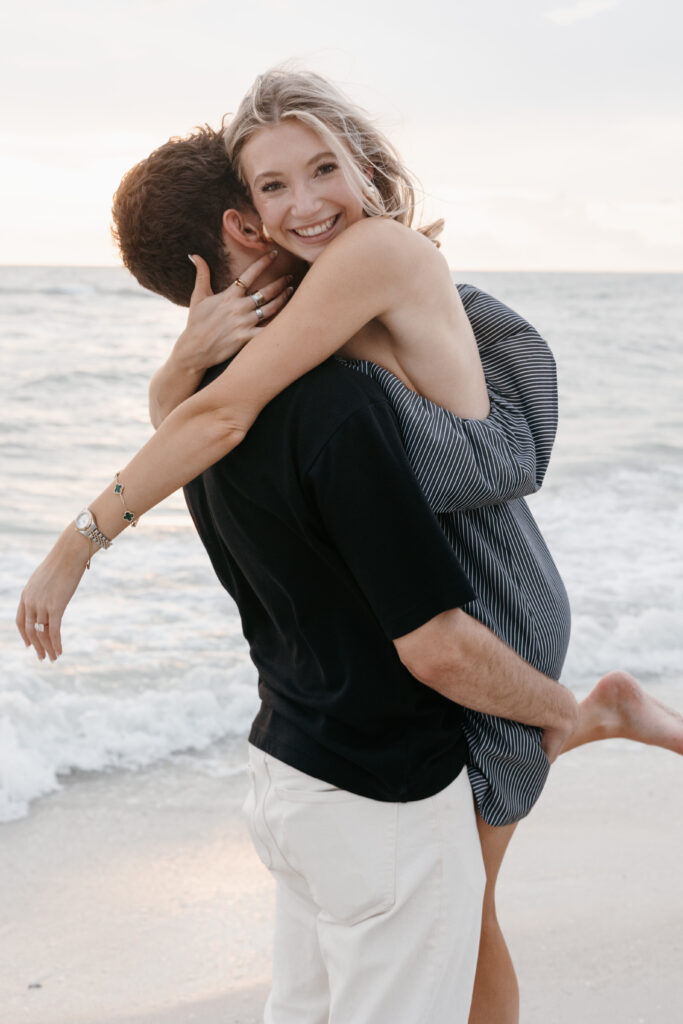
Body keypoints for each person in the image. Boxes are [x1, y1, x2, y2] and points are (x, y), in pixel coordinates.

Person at [17, 77, 683, 1023]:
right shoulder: (306, 298)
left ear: (363, 167)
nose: (301, 206)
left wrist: (75, 545)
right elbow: (209, 421)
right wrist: (179, 367)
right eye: (273, 188)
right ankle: (596, 712)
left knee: (469, 914)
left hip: (491, 586)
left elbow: (220, 415)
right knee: (465, 912)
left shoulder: (368, 253)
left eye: (322, 170)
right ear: (246, 219)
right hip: (466, 558)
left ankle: (586, 712)